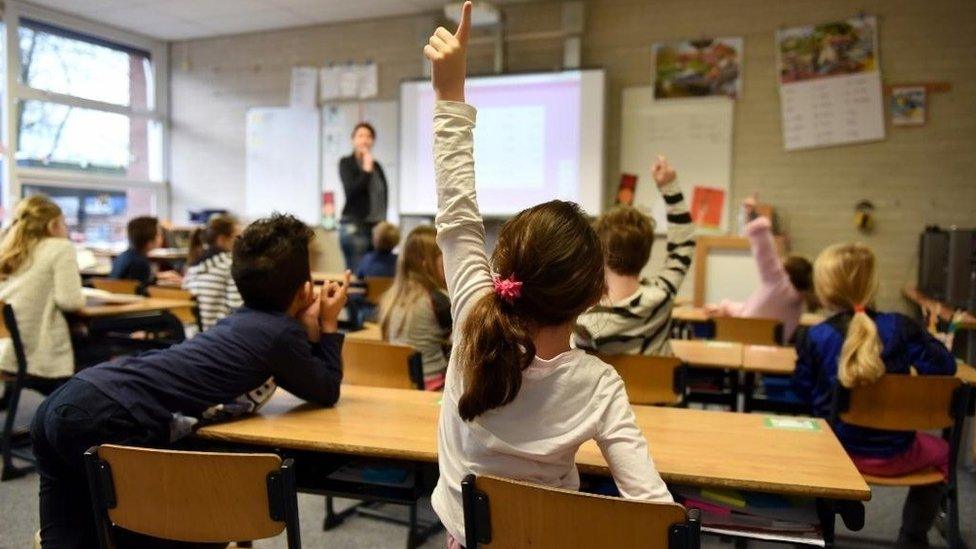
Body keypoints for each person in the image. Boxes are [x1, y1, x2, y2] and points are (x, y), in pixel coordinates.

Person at [422, 6, 673, 545]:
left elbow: (458, 213)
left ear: (503, 265)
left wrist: (450, 95)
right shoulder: (600, 386)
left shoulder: (470, 322)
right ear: (590, 296)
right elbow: (654, 511)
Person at [31, 214, 350, 548]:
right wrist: (328, 324)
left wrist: (307, 328)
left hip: (71, 396)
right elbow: (326, 389)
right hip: (110, 416)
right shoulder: (281, 335)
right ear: (305, 290)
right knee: (193, 529)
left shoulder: (237, 322)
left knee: (69, 537)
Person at [792, 243, 956, 547]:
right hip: (898, 454)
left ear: (825, 290)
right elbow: (945, 367)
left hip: (835, 457)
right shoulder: (901, 327)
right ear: (872, 285)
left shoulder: (814, 336)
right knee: (945, 453)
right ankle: (912, 534)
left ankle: (837, 500)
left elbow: (803, 392)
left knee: (810, 441)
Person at [574, 157, 696, 356]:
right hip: (657, 387)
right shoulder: (661, 297)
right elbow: (684, 245)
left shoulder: (585, 323)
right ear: (646, 253)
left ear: (600, 254)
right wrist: (669, 186)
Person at [0, 195, 85, 394]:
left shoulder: (9, 248)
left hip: (8, 345)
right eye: (64, 223)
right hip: (35, 351)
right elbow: (70, 302)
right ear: (52, 225)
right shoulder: (60, 247)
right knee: (101, 350)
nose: (66, 228)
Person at [705, 196, 816, 343]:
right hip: (771, 352)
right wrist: (725, 307)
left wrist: (753, 217)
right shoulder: (797, 300)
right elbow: (752, 313)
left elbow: (765, 249)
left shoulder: (779, 284)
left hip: (750, 349)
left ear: (787, 272)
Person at [378, 225, 451, 390]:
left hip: (400, 385)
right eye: (444, 257)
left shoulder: (392, 297)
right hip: (434, 388)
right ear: (427, 264)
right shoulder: (436, 300)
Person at [338, 122, 388, 271]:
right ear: (353, 140)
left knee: (374, 275)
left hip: (376, 228)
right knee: (357, 277)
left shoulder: (377, 166)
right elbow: (351, 191)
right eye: (360, 136)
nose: (365, 140)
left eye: (369, 136)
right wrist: (366, 170)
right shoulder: (346, 163)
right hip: (355, 227)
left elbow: (382, 195)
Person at [183, 214, 243, 330]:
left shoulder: (193, 267)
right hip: (219, 339)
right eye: (238, 238)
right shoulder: (230, 265)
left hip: (193, 338)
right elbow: (237, 309)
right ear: (222, 239)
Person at [109, 216, 181, 290]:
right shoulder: (140, 263)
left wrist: (158, 277)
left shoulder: (124, 256)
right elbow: (142, 291)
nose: (162, 237)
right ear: (149, 242)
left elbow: (137, 280)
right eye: (159, 234)